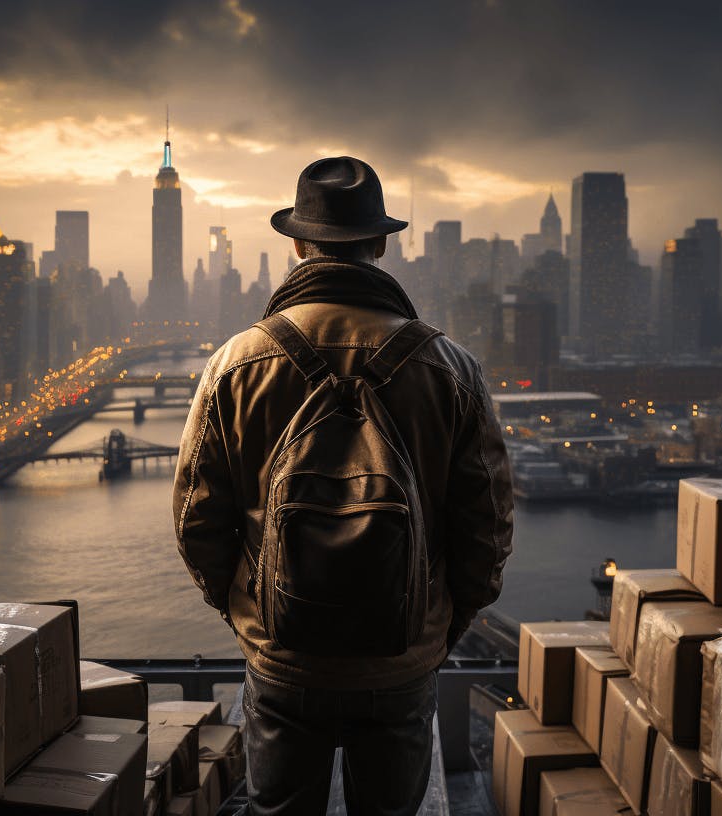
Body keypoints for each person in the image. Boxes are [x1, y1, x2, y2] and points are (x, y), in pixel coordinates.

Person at [173, 156, 513, 815]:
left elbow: (196, 521)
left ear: (298, 244)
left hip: (283, 660)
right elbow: (488, 529)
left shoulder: (237, 364)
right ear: (381, 244)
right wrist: (439, 628)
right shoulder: (450, 368)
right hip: (402, 662)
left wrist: (247, 614)